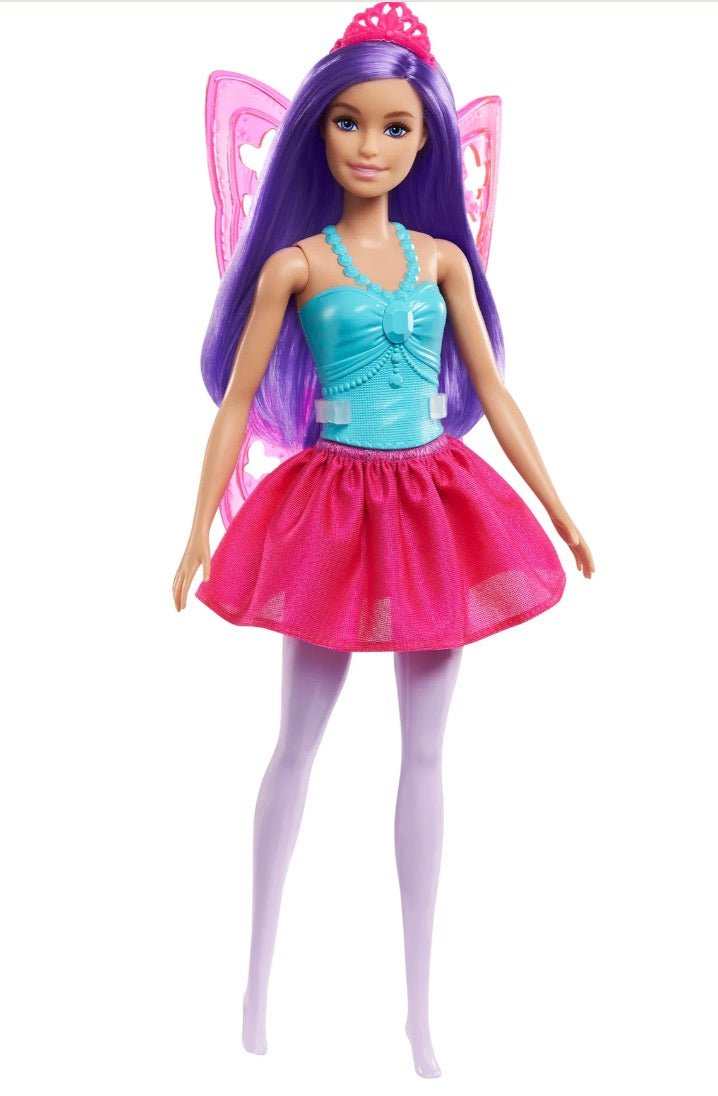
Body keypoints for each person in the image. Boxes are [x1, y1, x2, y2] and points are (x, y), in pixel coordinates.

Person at [172, 1, 595, 1077]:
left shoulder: (443, 259)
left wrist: (556, 504)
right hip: (330, 505)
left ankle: (419, 1010)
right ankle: (254, 986)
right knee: (296, 743)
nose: (370, 145)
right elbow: (235, 405)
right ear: (316, 128)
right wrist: (197, 528)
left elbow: (494, 390)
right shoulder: (294, 266)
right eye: (349, 122)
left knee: (426, 751)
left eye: (396, 126)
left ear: (427, 139)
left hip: (434, 504)